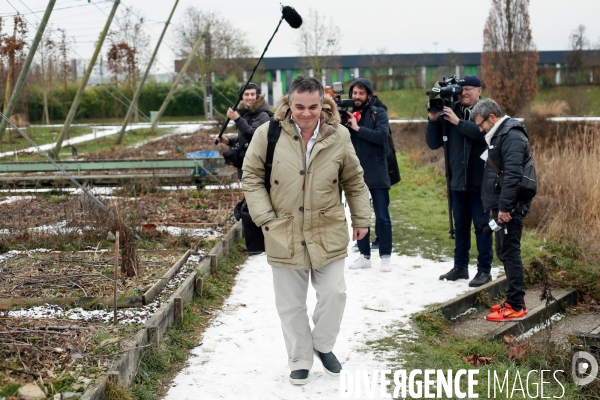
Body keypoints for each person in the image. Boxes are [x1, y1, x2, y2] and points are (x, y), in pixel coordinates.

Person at [241, 75, 371, 385]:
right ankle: (300, 358)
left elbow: (353, 180)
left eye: (313, 106)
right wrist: (266, 219)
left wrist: (362, 218)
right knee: (290, 304)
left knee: (335, 294)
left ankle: (322, 345)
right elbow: (251, 176)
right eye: (299, 106)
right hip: (282, 230)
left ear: (322, 104)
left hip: (327, 229)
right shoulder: (267, 133)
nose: (306, 113)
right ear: (288, 102)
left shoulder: (338, 135)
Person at [425, 75, 493, 287]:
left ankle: (484, 271)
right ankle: (460, 267)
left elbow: (484, 134)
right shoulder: (449, 111)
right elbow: (433, 143)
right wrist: (433, 119)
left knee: (482, 226)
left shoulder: (486, 111)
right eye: (461, 88)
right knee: (461, 225)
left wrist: (458, 122)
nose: (464, 92)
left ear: (479, 90)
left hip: (480, 181)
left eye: (469, 89)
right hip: (457, 181)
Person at [472, 98, 535, 321]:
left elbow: (512, 175)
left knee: (510, 252)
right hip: (501, 204)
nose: (480, 129)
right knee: (503, 252)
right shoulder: (499, 135)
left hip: (509, 206)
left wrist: (505, 208)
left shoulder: (512, 135)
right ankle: (513, 299)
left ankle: (516, 306)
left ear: (492, 117)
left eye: (481, 124)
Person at [345, 78, 393, 272]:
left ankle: (385, 256)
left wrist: (358, 128)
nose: (357, 97)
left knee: (383, 217)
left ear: (368, 95)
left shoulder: (378, 113)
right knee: (359, 217)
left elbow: (382, 136)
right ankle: (364, 256)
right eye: (354, 93)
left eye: (361, 93)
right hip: (356, 174)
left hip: (377, 171)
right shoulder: (346, 114)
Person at [220, 82, 272, 179]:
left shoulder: (262, 115)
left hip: (257, 166)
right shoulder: (246, 113)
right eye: (246, 94)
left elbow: (253, 136)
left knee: (253, 193)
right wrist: (228, 141)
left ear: (257, 96)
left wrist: (237, 119)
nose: (250, 97)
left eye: (253, 94)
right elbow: (244, 138)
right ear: (241, 97)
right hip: (245, 164)